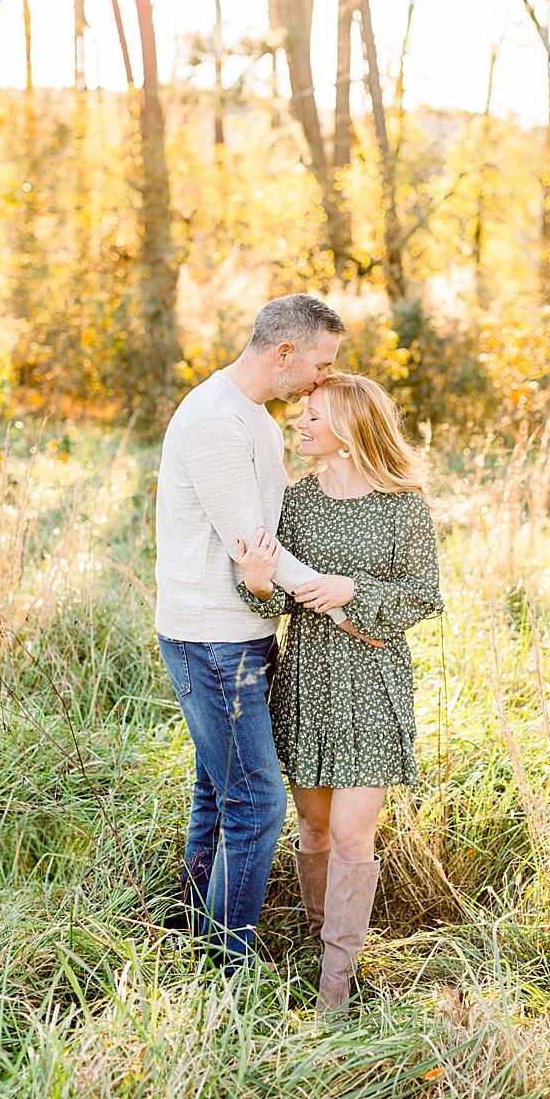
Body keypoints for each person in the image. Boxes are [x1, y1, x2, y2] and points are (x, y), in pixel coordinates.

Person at [153, 293, 371, 972]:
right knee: (256, 802)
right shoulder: (216, 422)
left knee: (219, 793)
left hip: (236, 634)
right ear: (285, 353)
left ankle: (192, 933)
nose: (323, 379)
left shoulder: (248, 415)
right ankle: (226, 969)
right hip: (212, 640)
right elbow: (257, 548)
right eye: (321, 363)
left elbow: (270, 538)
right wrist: (344, 609)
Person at [237, 373, 444, 1011]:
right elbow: (261, 597)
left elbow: (423, 595)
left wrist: (355, 593)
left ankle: (335, 985)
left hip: (371, 682)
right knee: (313, 825)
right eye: (301, 414)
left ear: (350, 431)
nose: (299, 424)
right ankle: (313, 932)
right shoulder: (294, 502)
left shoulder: (404, 505)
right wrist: (257, 580)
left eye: (313, 416)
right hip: (305, 676)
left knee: (355, 835)